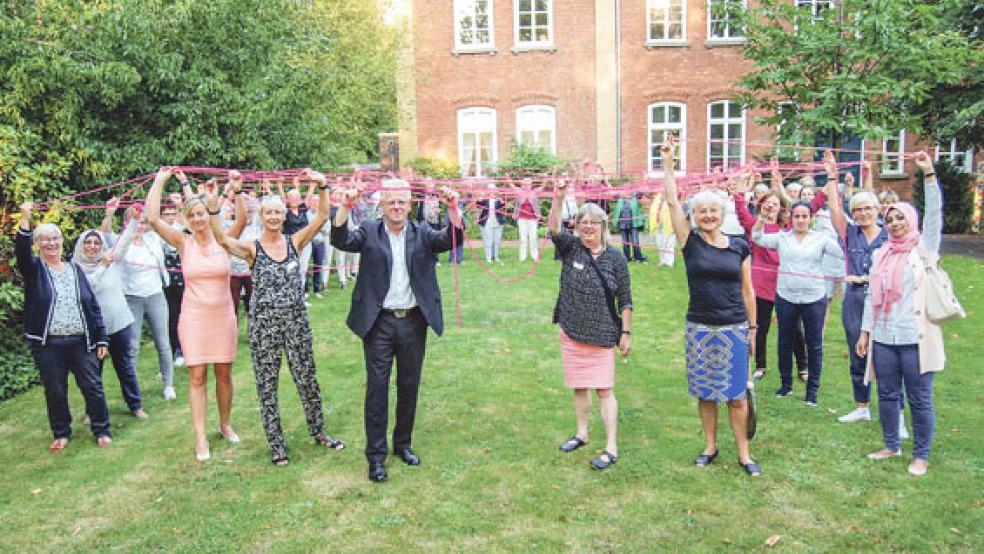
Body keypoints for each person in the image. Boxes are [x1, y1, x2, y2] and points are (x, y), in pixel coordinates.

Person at [330, 178, 463, 483]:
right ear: (382, 205)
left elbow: (452, 240)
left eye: (402, 202)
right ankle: (376, 457)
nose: (397, 207)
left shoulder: (422, 233)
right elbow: (341, 240)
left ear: (409, 204)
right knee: (377, 389)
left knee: (409, 385)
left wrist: (453, 208)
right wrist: (345, 207)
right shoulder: (370, 231)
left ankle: (402, 445)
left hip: (413, 321)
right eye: (391, 202)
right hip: (379, 322)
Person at [209, 169, 345, 466]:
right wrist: (226, 195)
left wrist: (322, 185)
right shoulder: (251, 249)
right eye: (268, 212)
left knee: (307, 379)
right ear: (262, 216)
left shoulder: (294, 242)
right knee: (267, 384)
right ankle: (277, 445)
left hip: (296, 323)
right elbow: (219, 238)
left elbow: (322, 217)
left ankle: (319, 431)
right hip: (264, 326)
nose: (273, 217)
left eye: (277, 212)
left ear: (283, 215)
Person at [661, 136, 761, 477]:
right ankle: (710, 446)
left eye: (713, 211)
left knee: (737, 395)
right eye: (701, 211)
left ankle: (745, 455)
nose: (707, 215)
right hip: (700, 327)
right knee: (706, 393)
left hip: (734, 326)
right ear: (696, 215)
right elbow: (673, 203)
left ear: (722, 215)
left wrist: (752, 329)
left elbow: (749, 292)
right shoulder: (689, 243)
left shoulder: (739, 246)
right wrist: (669, 163)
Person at [146, 167, 242, 461]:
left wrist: (236, 190)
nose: (199, 219)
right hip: (194, 317)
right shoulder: (182, 242)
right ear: (187, 218)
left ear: (208, 214)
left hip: (223, 315)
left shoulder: (224, 240)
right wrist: (160, 181)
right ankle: (200, 437)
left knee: (223, 373)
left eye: (202, 213)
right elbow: (152, 219)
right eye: (194, 215)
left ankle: (225, 423)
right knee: (197, 375)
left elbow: (243, 219)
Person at [857, 151, 944, 477]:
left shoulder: (924, 249)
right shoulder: (881, 252)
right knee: (887, 394)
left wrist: (929, 175)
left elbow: (935, 217)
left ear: (912, 221)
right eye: (890, 219)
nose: (894, 223)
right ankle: (891, 445)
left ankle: (920, 455)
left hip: (915, 336)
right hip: (884, 335)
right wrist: (866, 332)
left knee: (920, 398)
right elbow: (871, 295)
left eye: (900, 218)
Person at [549, 183, 632, 471]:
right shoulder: (571, 249)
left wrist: (626, 333)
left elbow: (626, 300)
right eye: (582, 222)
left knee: (604, 390)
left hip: (602, 335)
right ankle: (582, 433)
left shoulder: (616, 258)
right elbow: (553, 231)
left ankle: (611, 446)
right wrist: (558, 199)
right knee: (579, 387)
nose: (587, 227)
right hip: (572, 331)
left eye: (593, 222)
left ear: (602, 226)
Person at [16, 202, 112, 450]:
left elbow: (92, 306)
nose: (51, 243)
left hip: (81, 341)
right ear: (38, 244)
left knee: (93, 386)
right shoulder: (35, 270)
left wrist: (101, 339)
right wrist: (26, 219)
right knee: (55, 390)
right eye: (45, 240)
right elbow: (22, 254)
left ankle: (101, 429)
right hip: (50, 345)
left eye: (55, 238)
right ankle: (61, 432)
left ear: (62, 241)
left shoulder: (74, 269)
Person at [824, 155, 898, 431]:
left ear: (878, 210)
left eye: (868, 209)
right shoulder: (850, 234)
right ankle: (861, 407)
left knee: (888, 355)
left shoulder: (890, 236)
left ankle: (896, 412)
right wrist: (831, 177)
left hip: (884, 301)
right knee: (858, 352)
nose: (863, 214)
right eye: (858, 210)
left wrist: (868, 277)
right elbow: (834, 209)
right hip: (855, 301)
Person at [753, 195, 844, 405]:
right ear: (791, 217)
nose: (800, 220)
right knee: (784, 342)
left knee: (814, 344)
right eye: (797, 216)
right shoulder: (782, 237)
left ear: (811, 218)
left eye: (805, 216)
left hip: (814, 298)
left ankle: (812, 391)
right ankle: (786, 386)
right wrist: (762, 217)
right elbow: (757, 237)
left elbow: (842, 254)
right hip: (786, 297)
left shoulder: (821, 238)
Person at [72, 199, 147, 420]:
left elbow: (122, 243)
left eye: (97, 243)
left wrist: (133, 220)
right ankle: (92, 411)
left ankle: (136, 406)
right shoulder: (76, 269)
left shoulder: (110, 260)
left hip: (120, 324)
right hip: (95, 330)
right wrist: (104, 265)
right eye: (89, 243)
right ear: (81, 246)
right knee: (93, 373)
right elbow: (90, 285)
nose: (93, 246)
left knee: (126, 368)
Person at [120, 198, 175, 400]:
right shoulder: (122, 242)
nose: (140, 226)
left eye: (142, 222)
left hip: (155, 295)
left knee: (163, 342)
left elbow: (174, 228)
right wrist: (110, 214)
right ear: (127, 223)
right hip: (132, 298)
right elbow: (108, 235)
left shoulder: (153, 239)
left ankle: (169, 384)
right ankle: (133, 391)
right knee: (132, 345)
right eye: (135, 222)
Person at [160, 194, 186, 367]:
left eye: (172, 213)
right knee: (171, 316)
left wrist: (181, 205)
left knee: (185, 315)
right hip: (166, 280)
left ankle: (184, 349)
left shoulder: (181, 228)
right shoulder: (157, 231)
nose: (170, 217)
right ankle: (173, 350)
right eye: (166, 214)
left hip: (182, 278)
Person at [511, 177, 542, 262]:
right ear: (522, 185)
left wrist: (550, 175)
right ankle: (522, 257)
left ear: (531, 185)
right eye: (524, 184)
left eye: (528, 184)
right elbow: (511, 186)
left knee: (533, 238)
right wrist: (507, 177)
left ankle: (535, 256)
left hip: (533, 219)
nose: (526, 186)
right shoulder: (519, 191)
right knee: (523, 238)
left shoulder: (535, 192)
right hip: (521, 218)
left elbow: (543, 186)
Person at [613, 190, 649, 263]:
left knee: (635, 241)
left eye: (628, 190)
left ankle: (638, 258)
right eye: (625, 190)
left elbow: (641, 192)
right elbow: (613, 194)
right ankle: (627, 258)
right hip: (623, 224)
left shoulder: (635, 197)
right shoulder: (620, 198)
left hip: (634, 224)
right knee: (625, 242)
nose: (627, 192)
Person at [476, 182, 505, 264]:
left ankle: (496, 257)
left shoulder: (498, 199)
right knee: (488, 241)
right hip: (487, 223)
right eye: (489, 189)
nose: (491, 190)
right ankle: (488, 258)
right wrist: (479, 200)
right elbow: (478, 205)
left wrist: (502, 202)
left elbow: (503, 206)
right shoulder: (484, 199)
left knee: (497, 241)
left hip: (498, 223)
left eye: (493, 189)